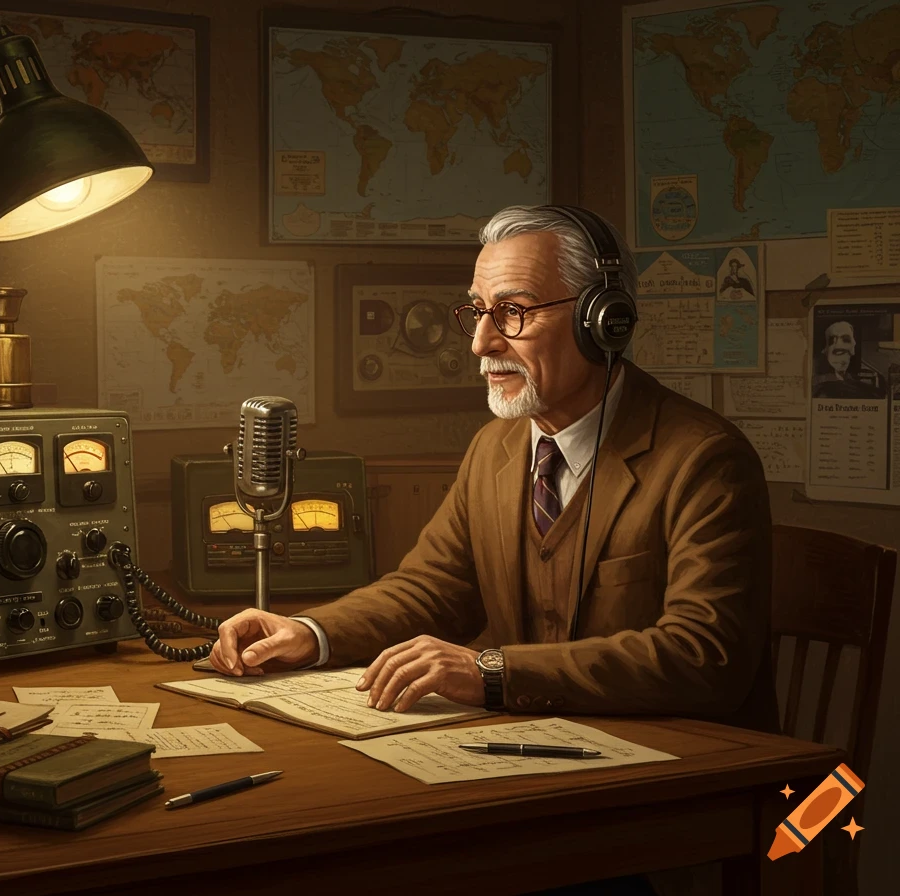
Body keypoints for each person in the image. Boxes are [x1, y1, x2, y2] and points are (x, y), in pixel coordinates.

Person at [208, 204, 778, 895]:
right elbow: (431, 589)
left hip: (663, 815)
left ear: (604, 320)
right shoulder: (497, 449)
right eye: (475, 311)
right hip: (529, 787)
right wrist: (310, 632)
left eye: (513, 312)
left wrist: (493, 673)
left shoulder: (704, 459)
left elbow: (703, 656)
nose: (481, 343)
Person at [811, 319, 885, 399]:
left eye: (845, 340)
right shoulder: (819, 385)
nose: (838, 346)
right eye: (832, 341)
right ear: (825, 350)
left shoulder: (851, 380)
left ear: (853, 349)